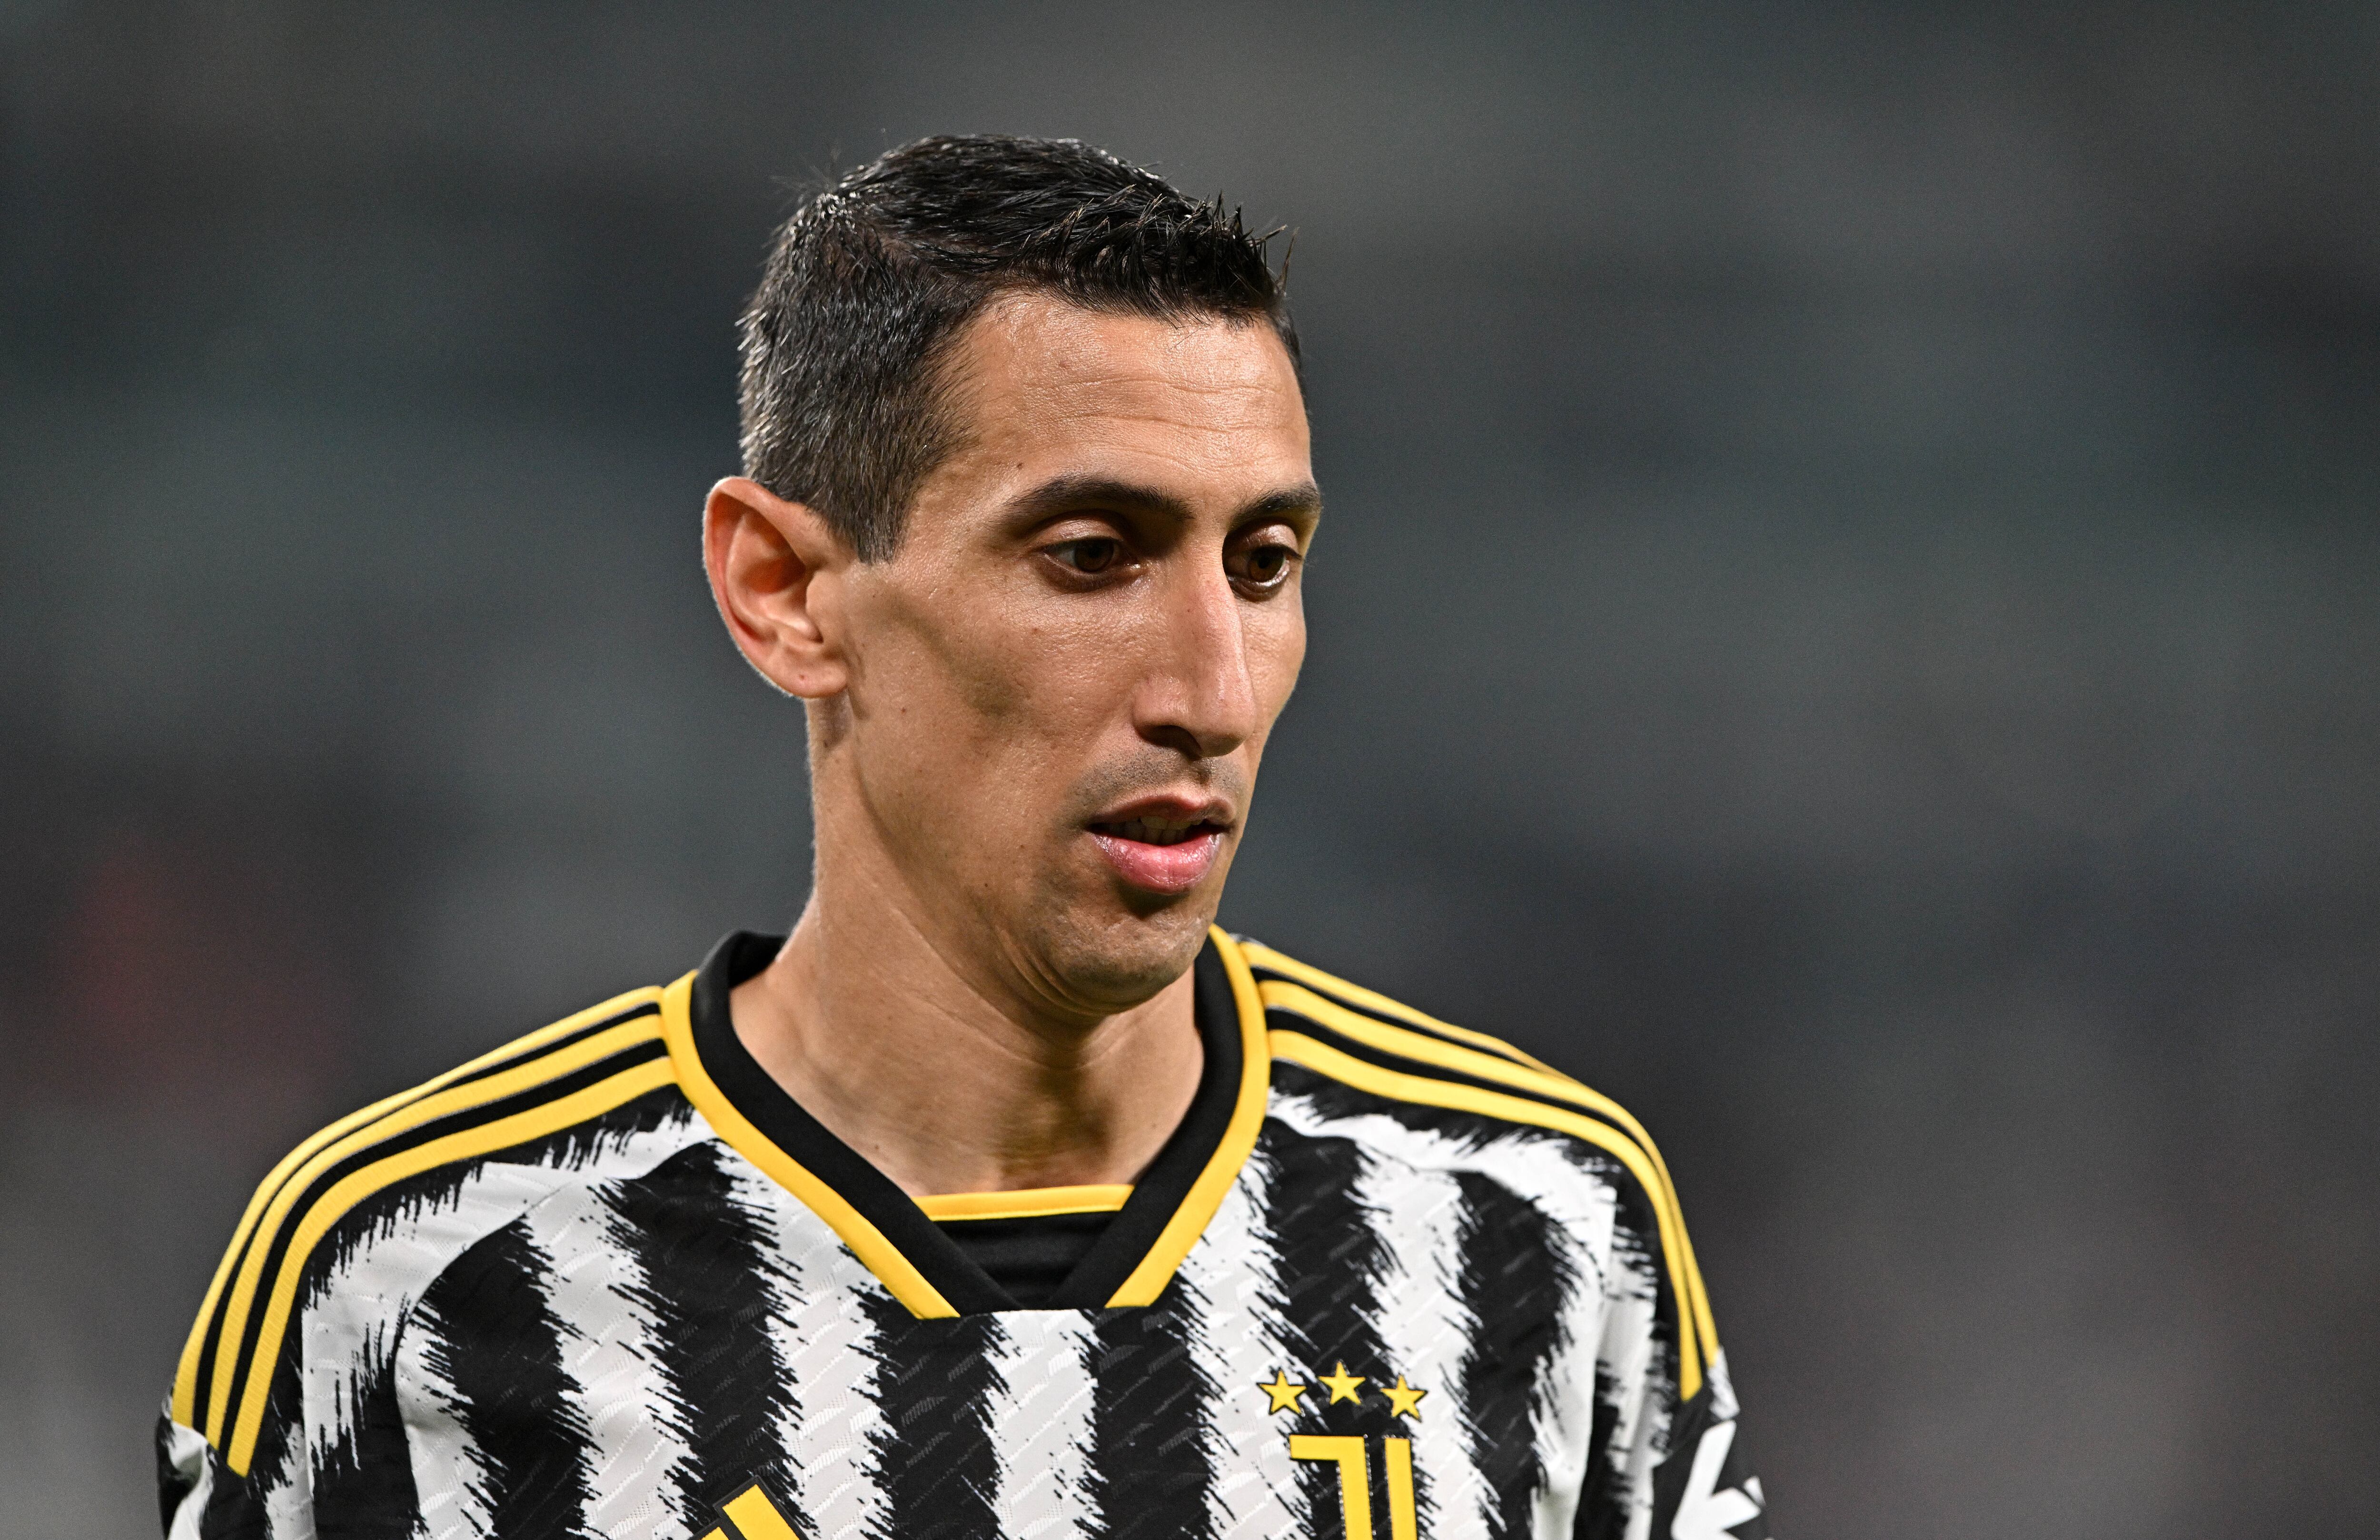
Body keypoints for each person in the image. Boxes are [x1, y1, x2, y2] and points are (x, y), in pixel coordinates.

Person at [157, 135, 1770, 1540]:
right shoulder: (409, 1286)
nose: (1212, 686)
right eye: (1091, 554)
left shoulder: (1539, 1223)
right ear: (783, 591)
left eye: (1264, 561)